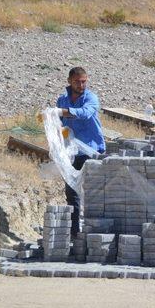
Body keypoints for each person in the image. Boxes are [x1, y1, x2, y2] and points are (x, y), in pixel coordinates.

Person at [56, 67, 105, 235]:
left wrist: (63, 112)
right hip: (71, 152)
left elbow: (85, 113)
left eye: (84, 81)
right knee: (72, 191)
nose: (81, 85)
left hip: (90, 150)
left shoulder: (91, 98)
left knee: (93, 190)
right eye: (77, 81)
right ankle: (74, 233)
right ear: (69, 81)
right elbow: (59, 122)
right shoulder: (63, 100)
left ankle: (95, 232)